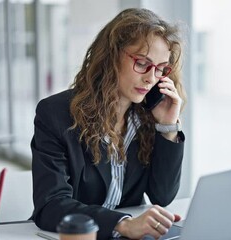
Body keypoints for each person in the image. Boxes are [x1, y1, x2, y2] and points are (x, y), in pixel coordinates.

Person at [31, 8, 186, 240]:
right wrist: (122, 224)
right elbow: (51, 205)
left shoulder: (147, 116)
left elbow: (161, 196)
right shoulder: (55, 114)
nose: (151, 78)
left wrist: (167, 127)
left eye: (161, 69)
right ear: (112, 56)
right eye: (143, 63)